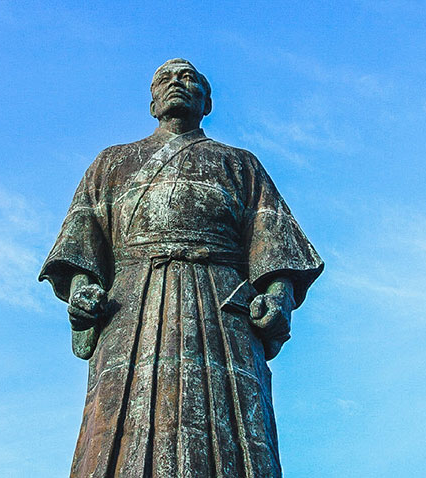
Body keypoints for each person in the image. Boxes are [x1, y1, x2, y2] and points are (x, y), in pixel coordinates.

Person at [39, 58, 323, 478]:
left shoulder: (240, 164)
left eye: (188, 78)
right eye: (165, 79)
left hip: (220, 307)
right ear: (152, 102)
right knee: (121, 426)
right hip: (132, 305)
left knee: (233, 428)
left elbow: (275, 238)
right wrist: (83, 288)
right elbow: (82, 241)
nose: (177, 83)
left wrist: (278, 296)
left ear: (207, 102)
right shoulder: (112, 163)